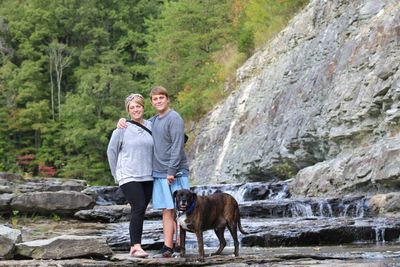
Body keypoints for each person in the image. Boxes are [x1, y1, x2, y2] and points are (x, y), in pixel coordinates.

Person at [117, 86, 190, 258]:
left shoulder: (174, 118)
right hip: (158, 173)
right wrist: (122, 121)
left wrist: (171, 171)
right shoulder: (154, 121)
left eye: (161, 98)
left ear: (167, 99)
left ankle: (180, 244)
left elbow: (177, 146)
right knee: (167, 210)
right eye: (155, 99)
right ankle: (168, 246)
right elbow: (138, 122)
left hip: (175, 173)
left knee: (180, 210)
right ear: (151, 102)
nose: (158, 101)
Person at [107, 93, 154, 258]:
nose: (135, 110)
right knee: (139, 206)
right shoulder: (121, 129)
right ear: (128, 110)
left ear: (143, 107)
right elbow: (111, 152)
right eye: (132, 107)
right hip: (128, 175)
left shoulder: (151, 125)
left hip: (148, 175)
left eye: (138, 106)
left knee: (140, 210)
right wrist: (116, 175)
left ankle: (135, 246)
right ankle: (135, 246)